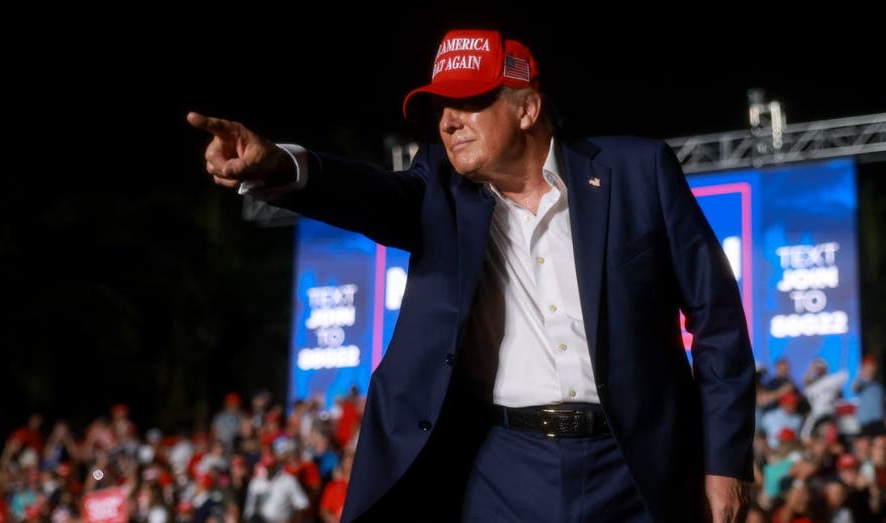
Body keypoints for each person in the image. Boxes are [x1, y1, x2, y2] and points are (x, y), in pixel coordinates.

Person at [188, 27, 756, 523]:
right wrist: (279, 165)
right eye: (441, 107)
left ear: (527, 109)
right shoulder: (441, 190)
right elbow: (370, 194)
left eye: (467, 102)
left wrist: (725, 462)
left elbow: (718, 317)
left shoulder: (637, 171)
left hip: (634, 464)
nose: (447, 122)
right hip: (501, 467)